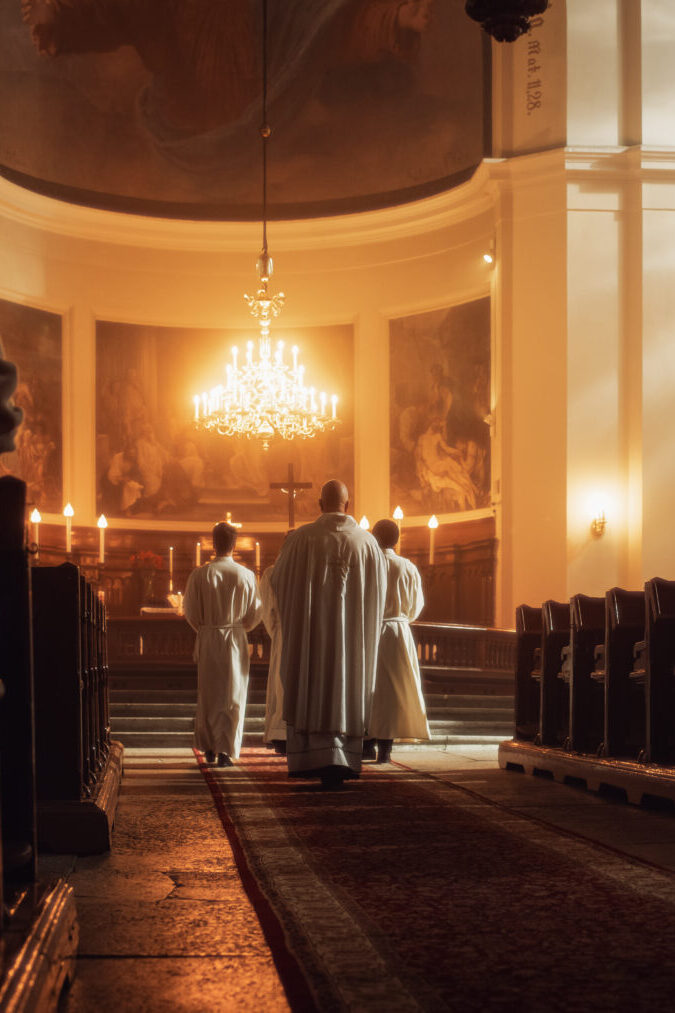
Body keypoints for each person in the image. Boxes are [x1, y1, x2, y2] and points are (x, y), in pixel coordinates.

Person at [271, 479, 386, 789]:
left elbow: (277, 582)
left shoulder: (301, 539)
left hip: (313, 638)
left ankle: (313, 758)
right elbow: (380, 593)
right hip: (353, 640)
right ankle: (345, 758)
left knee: (313, 681)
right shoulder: (367, 543)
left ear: (319, 504)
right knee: (348, 685)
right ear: (347, 505)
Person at [183, 521, 262, 767]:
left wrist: (206, 629)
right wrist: (239, 628)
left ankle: (208, 746)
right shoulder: (246, 575)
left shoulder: (200, 574)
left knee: (208, 693)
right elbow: (255, 613)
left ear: (213, 543)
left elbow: (191, 612)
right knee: (232, 695)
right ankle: (226, 750)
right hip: (235, 639)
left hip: (209, 637)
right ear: (234, 544)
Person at [368, 518, 430, 763]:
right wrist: (400, 618)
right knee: (393, 692)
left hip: (369, 630)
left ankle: (365, 743)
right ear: (397, 540)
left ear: (373, 537)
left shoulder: (366, 564)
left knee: (368, 688)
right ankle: (386, 747)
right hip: (397, 631)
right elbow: (416, 607)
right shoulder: (407, 567)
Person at [259, 562, 286, 754]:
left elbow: (266, 610)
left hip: (283, 633)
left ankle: (280, 734)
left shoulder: (273, 572)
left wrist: (276, 633)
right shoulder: (313, 567)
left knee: (280, 683)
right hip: (312, 633)